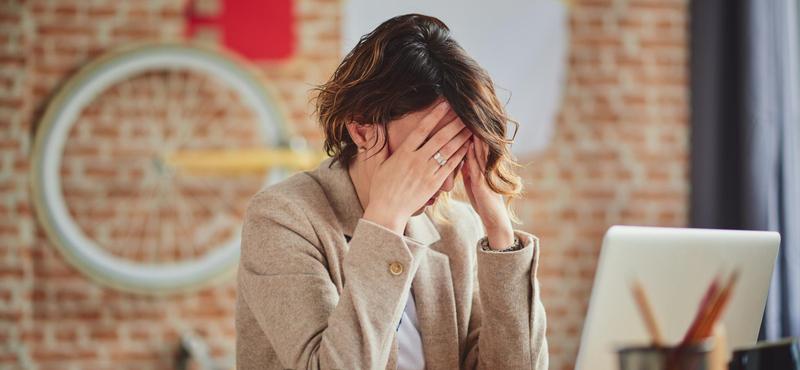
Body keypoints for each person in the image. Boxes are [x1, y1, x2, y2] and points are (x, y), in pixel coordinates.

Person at [235, 13, 548, 370]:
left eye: (455, 152)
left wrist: (500, 235)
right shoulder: (282, 219)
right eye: (430, 149)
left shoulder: (456, 228)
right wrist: (384, 223)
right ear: (363, 130)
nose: (446, 182)